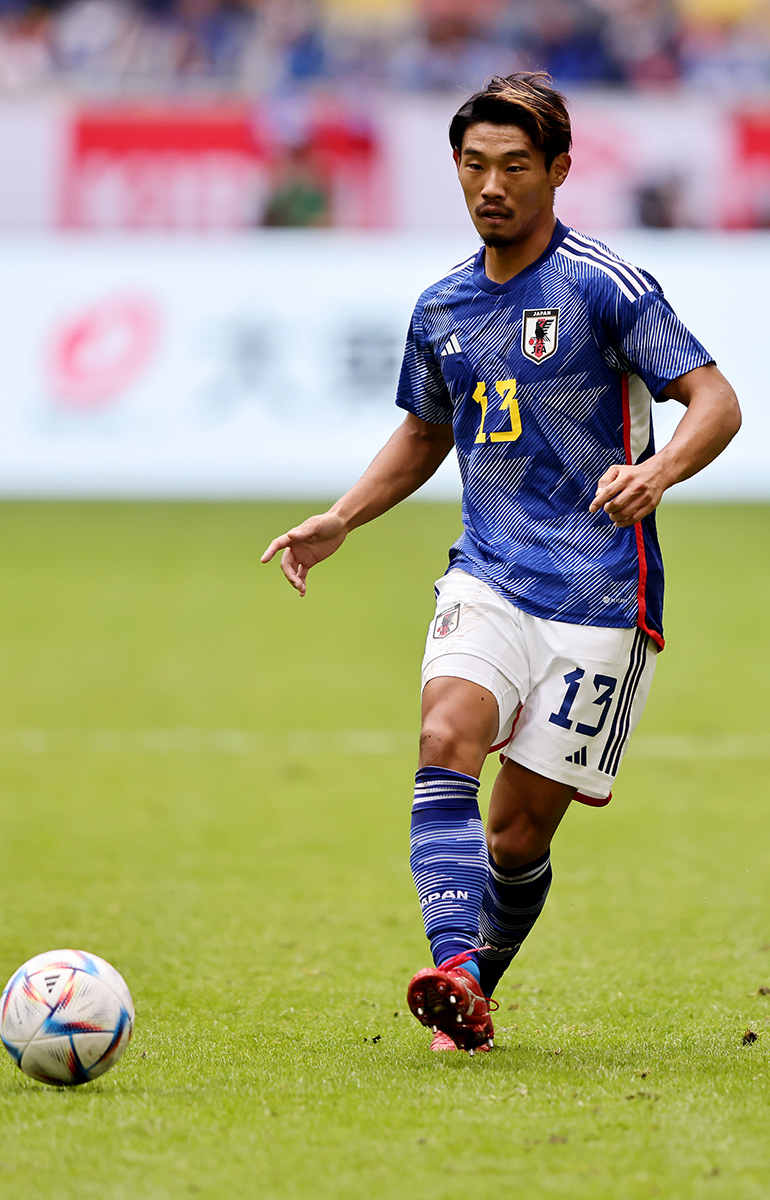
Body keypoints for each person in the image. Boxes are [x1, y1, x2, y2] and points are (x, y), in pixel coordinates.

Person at [261, 72, 741, 1053]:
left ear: (558, 170)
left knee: (516, 836)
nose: (491, 185)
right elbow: (424, 431)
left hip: (602, 596)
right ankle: (449, 968)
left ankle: (476, 981)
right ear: (455, 166)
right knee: (445, 733)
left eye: (514, 166)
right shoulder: (442, 305)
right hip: (487, 573)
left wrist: (656, 474)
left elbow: (715, 400)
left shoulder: (605, 286)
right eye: (474, 164)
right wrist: (342, 517)